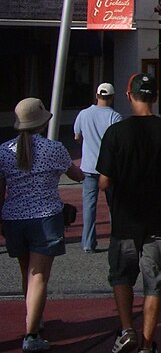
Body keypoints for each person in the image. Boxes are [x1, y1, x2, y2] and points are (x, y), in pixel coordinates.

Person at [97, 74, 161, 353]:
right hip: (158, 219)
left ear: (129, 95)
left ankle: (127, 329)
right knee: (155, 283)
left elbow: (104, 180)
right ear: (155, 96)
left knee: (121, 276)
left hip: (125, 218)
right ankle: (147, 344)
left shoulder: (115, 133)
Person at [1, 98, 84, 352]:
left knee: (26, 272)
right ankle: (31, 334)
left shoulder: (4, 150)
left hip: (14, 217)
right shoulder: (54, 149)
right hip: (45, 218)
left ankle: (33, 317)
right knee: (39, 277)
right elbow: (76, 175)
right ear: (41, 122)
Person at [73, 82, 122, 253]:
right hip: (109, 168)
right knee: (114, 205)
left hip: (88, 166)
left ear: (97, 95)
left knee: (89, 206)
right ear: (112, 97)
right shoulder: (115, 117)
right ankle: (117, 240)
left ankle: (88, 242)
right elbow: (118, 143)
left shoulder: (84, 114)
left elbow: (77, 136)